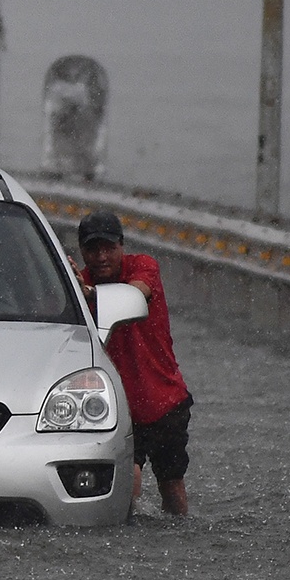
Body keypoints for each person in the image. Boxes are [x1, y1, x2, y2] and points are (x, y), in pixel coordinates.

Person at [71, 210, 193, 516]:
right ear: (83, 252)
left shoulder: (143, 267)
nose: (101, 257)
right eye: (92, 250)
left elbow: (137, 292)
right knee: (130, 480)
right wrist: (68, 283)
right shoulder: (79, 286)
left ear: (121, 246)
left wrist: (90, 294)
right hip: (123, 408)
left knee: (172, 484)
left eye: (108, 248)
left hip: (166, 400)